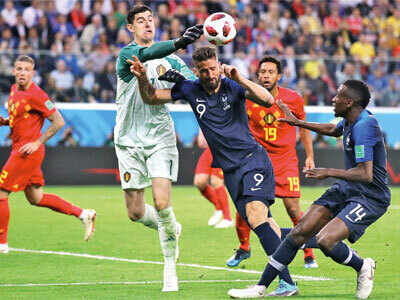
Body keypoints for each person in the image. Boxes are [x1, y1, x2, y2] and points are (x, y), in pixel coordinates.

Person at [128, 46, 299, 297]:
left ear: (219, 65)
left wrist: (239, 78)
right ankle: (324, 240)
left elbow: (268, 100)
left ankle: (283, 284)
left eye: (213, 68)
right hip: (230, 171)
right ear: (196, 71)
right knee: (265, 226)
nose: (210, 74)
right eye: (204, 70)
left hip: (252, 159)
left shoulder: (233, 86)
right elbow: (151, 97)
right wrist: (142, 77)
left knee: (255, 215)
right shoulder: (190, 89)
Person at [228, 80, 391, 299]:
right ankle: (261, 288)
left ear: (350, 102)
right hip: (348, 187)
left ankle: (362, 266)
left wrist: (327, 171)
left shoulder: (365, 126)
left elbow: (365, 174)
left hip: (371, 196)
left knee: (325, 240)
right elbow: (333, 129)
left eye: (338, 95)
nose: (333, 99)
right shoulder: (351, 120)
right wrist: (297, 122)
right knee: (299, 232)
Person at [114, 5, 202, 292]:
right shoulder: (127, 55)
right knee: (135, 212)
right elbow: (149, 54)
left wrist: (189, 82)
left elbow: (195, 87)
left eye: (150, 19)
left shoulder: (173, 61)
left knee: (162, 203)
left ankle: (169, 270)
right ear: (131, 27)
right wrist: (179, 41)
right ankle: (170, 227)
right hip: (128, 139)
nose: (147, 24)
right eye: (140, 20)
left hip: (161, 137)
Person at [226, 56, 318, 270]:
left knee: (293, 209)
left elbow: (303, 128)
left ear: (279, 76)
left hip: (286, 161)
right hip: (258, 161)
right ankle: (243, 248)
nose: (266, 76)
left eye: (270, 72)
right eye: (262, 72)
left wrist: (310, 156)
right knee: (246, 207)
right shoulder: (248, 97)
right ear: (257, 75)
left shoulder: (293, 98)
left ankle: (309, 253)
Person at [0, 55, 96, 254]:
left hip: (27, 152)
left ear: (33, 73)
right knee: (36, 198)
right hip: (20, 149)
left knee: (1, 193)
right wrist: (5, 122)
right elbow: (20, 118)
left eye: (27, 69)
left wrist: (37, 142)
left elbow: (58, 122)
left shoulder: (38, 95)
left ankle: (2, 244)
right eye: (19, 69)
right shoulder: (13, 90)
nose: (22, 73)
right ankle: (83, 214)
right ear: (14, 71)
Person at [194, 130, 232, 228]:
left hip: (222, 147)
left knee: (216, 181)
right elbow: (201, 142)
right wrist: (201, 133)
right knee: (199, 182)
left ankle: (227, 218)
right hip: (210, 149)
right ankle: (218, 207)